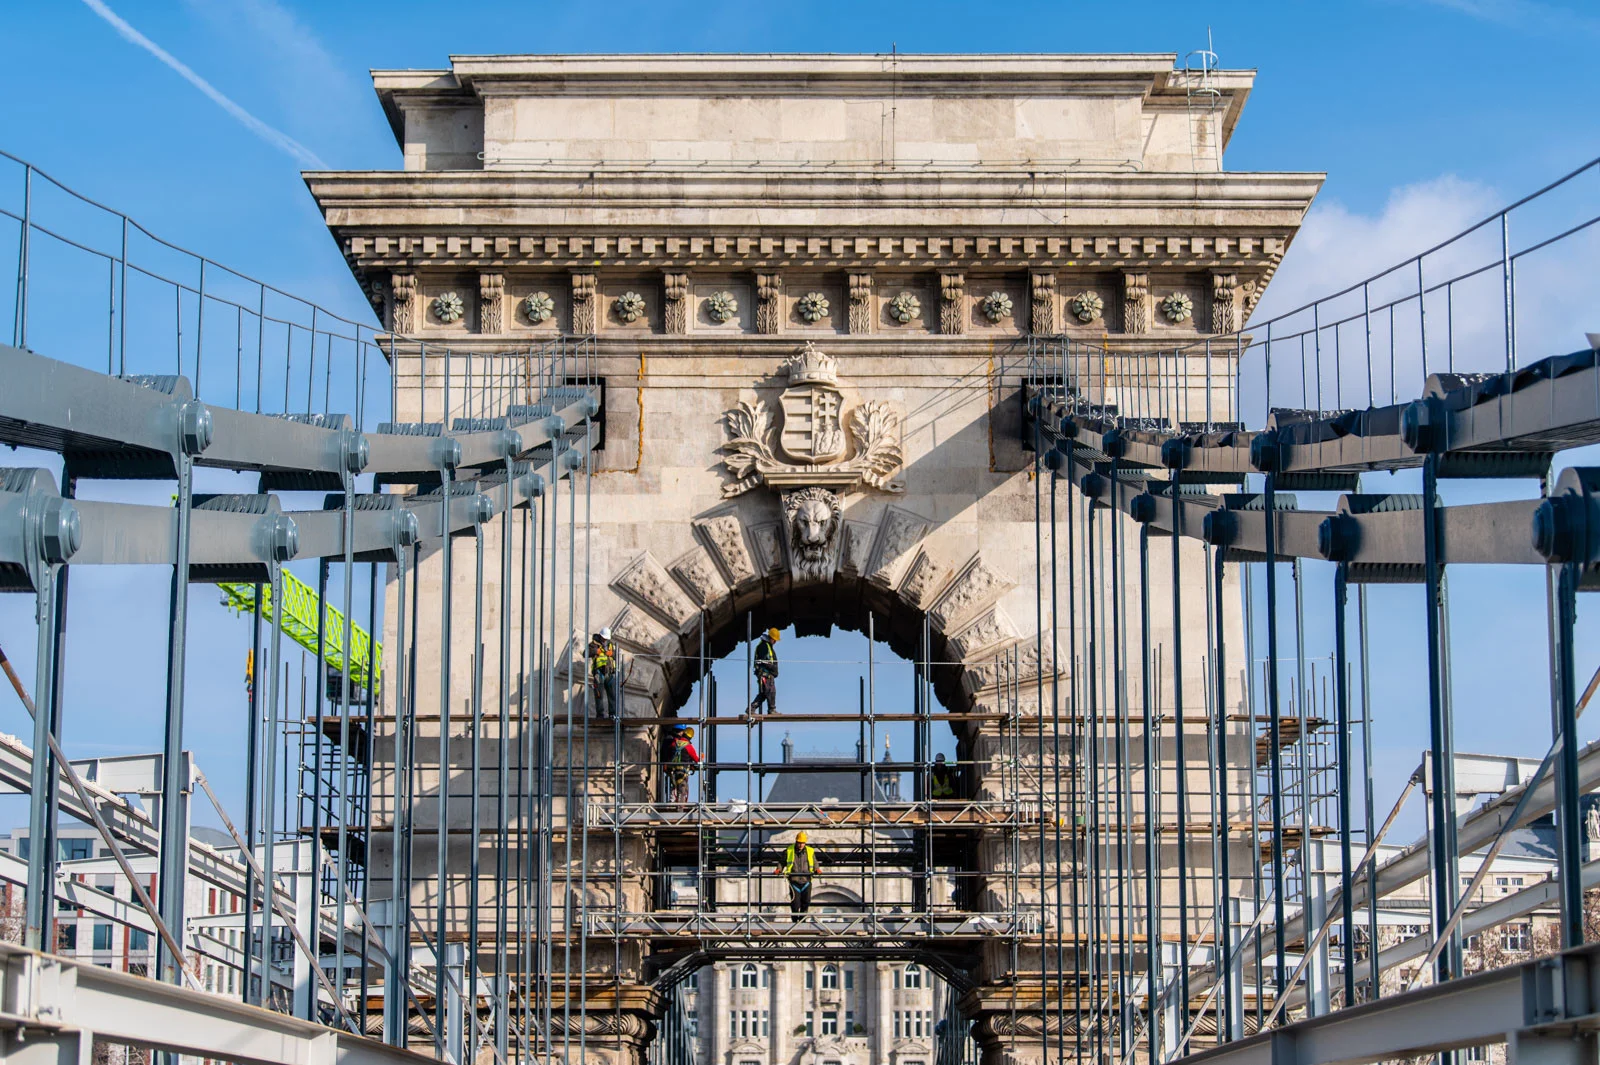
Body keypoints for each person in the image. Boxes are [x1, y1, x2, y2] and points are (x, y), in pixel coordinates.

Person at [777, 830, 819, 916]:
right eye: (799, 843)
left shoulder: (810, 851)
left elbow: (814, 862)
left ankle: (803, 919)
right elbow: (782, 862)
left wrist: (817, 869)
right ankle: (795, 920)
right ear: (796, 842)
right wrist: (779, 869)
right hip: (794, 881)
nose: (801, 845)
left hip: (806, 880)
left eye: (802, 843)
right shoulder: (789, 851)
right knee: (795, 904)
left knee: (806, 901)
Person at [665, 726, 701, 805]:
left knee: (674, 787)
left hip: (672, 771)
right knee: (682, 789)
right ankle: (680, 806)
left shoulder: (674, 743)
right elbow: (697, 760)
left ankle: (672, 802)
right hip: (682, 772)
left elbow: (668, 755)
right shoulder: (688, 746)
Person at [748, 627, 780, 715]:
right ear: (771, 638)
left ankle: (751, 709)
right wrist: (772, 668)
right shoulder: (764, 646)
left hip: (767, 673)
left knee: (764, 693)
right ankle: (771, 709)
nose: (775, 642)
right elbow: (763, 661)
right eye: (775, 640)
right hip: (765, 674)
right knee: (770, 691)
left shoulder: (767, 646)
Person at [587, 627, 617, 718]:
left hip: (610, 673)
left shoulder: (610, 645)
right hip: (599, 673)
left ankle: (613, 714)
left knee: (612, 695)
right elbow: (585, 653)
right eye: (604, 638)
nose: (605, 640)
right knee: (599, 695)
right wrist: (596, 651)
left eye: (606, 638)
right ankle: (600, 715)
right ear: (600, 636)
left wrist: (612, 654)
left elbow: (617, 656)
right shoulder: (594, 644)